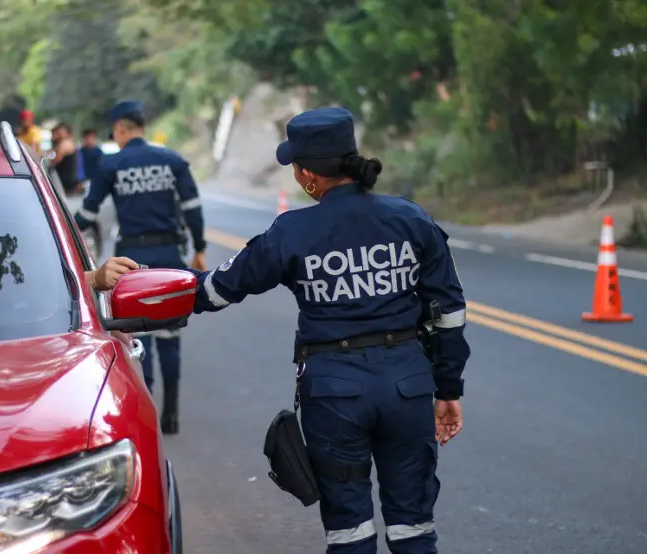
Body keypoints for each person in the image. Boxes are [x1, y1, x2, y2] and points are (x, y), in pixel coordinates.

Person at [109, 107, 469, 553]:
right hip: (408, 387)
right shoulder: (411, 219)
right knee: (414, 529)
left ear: (307, 175)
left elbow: (218, 289)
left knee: (350, 532)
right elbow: (449, 312)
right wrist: (448, 387)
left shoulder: (292, 232)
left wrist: (141, 290)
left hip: (336, 395)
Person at [73, 100, 207, 435]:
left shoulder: (112, 164)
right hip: (170, 258)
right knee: (170, 336)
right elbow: (192, 208)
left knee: (139, 337)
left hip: (132, 263)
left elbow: (88, 215)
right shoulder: (172, 160)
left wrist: (65, 236)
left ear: (120, 129)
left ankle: (146, 413)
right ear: (141, 128)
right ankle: (172, 415)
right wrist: (200, 247)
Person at [49, 122, 82, 196]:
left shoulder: (65, 143)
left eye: (61, 131)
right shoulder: (64, 143)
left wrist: (48, 164)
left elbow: (56, 160)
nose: (59, 133)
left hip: (65, 180)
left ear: (67, 132)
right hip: (66, 179)